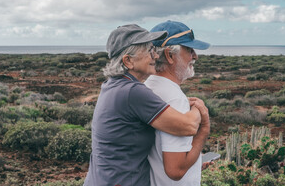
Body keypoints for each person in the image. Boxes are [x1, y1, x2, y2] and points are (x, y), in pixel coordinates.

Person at [83, 24, 207, 186]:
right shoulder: (132, 92)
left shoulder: (114, 85)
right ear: (128, 61)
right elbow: (189, 126)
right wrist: (200, 109)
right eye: (149, 51)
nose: (155, 56)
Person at [145, 20, 211, 185]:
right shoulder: (175, 99)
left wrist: (194, 163)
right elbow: (176, 170)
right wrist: (203, 131)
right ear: (169, 55)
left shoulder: (146, 87)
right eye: (189, 49)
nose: (194, 56)